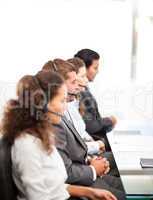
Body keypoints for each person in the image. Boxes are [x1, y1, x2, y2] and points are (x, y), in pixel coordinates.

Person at [1, 70, 117, 200]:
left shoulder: (43, 135)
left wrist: (88, 192)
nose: (65, 107)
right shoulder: (27, 145)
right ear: (43, 105)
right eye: (62, 101)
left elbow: (53, 186)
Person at [42, 59, 126, 200]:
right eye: (75, 80)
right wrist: (92, 169)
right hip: (79, 181)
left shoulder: (60, 111)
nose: (82, 83)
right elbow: (64, 172)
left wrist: (90, 162)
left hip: (84, 168)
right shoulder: (52, 120)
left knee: (130, 189)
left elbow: (72, 151)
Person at [74, 49, 117, 148]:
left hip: (94, 143)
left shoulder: (84, 90)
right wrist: (110, 121)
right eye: (95, 68)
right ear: (84, 68)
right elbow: (90, 126)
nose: (98, 71)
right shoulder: (79, 93)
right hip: (95, 143)